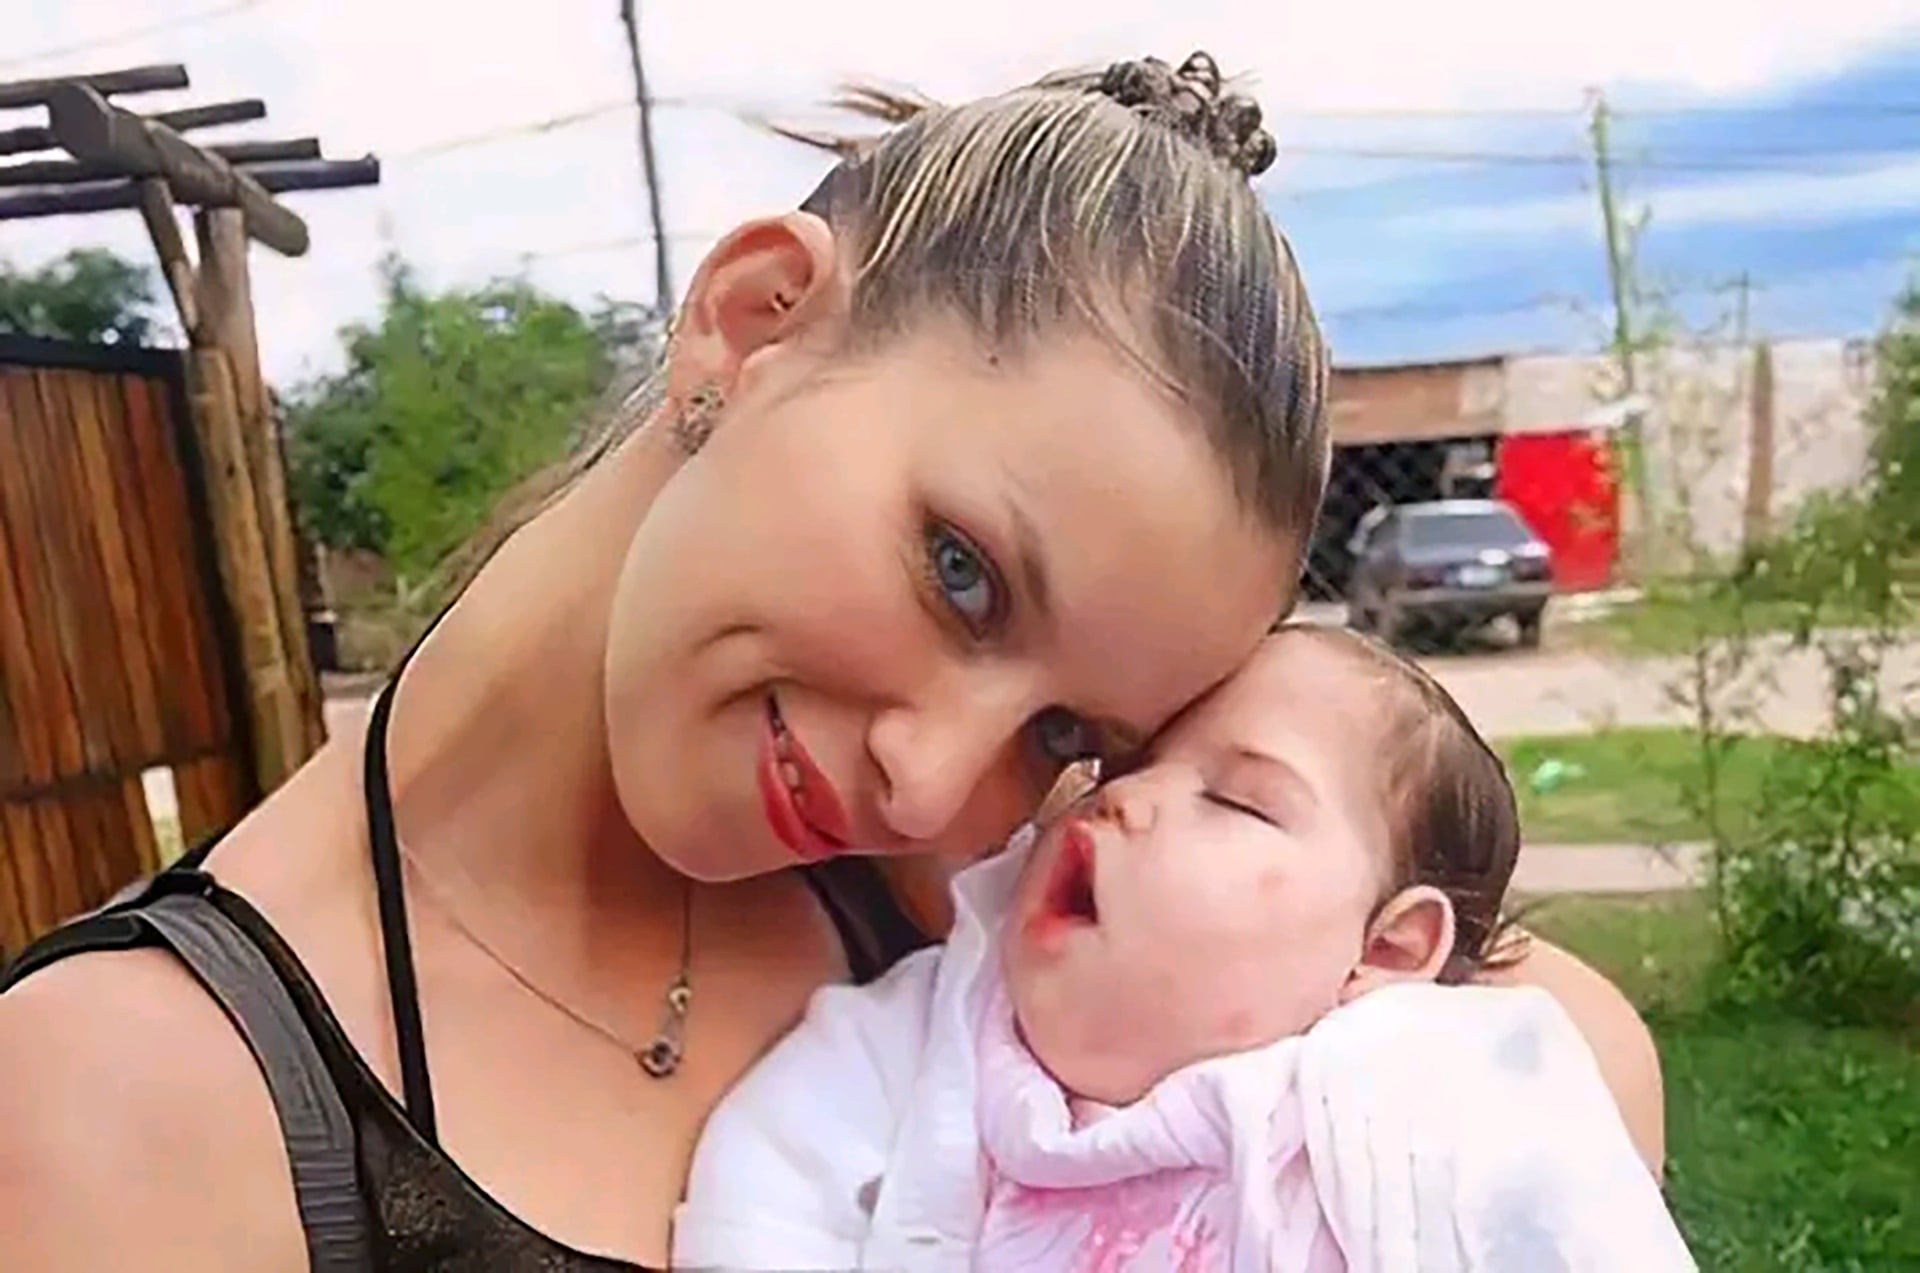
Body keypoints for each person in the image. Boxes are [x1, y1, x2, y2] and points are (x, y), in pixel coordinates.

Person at [0, 54, 1659, 1272]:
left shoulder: (991, 898)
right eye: (962, 573)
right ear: (752, 319)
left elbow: (1573, 1040)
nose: (929, 785)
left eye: (1070, 732)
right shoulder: (124, 1101)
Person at [671, 625, 1692, 1269]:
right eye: (1127, 765)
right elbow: (770, 1189)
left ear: (1384, 951)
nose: (1128, 800)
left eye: (1237, 799)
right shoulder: (936, 1029)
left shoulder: (1431, 1097)